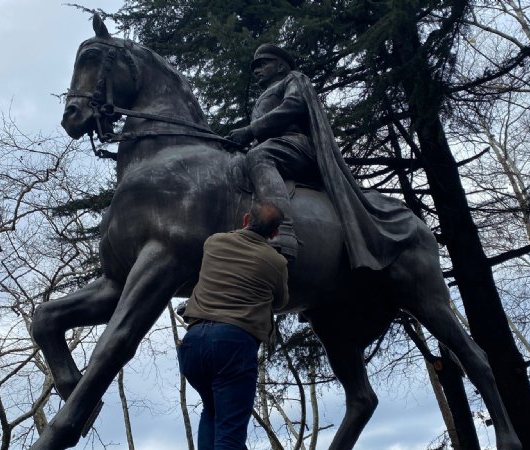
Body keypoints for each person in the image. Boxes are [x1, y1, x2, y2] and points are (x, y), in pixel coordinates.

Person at [227, 43, 417, 269]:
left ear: (280, 66)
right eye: (255, 67)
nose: (257, 70)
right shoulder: (267, 93)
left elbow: (294, 105)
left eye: (262, 64)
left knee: (259, 156)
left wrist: (250, 130)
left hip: (298, 144)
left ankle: (283, 230)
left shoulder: (293, 78)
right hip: (279, 146)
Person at [178, 201, 289, 450]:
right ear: (275, 233)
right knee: (229, 433)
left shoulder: (213, 242)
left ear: (246, 219)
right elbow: (281, 302)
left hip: (193, 344)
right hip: (232, 345)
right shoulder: (276, 262)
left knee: (212, 411)